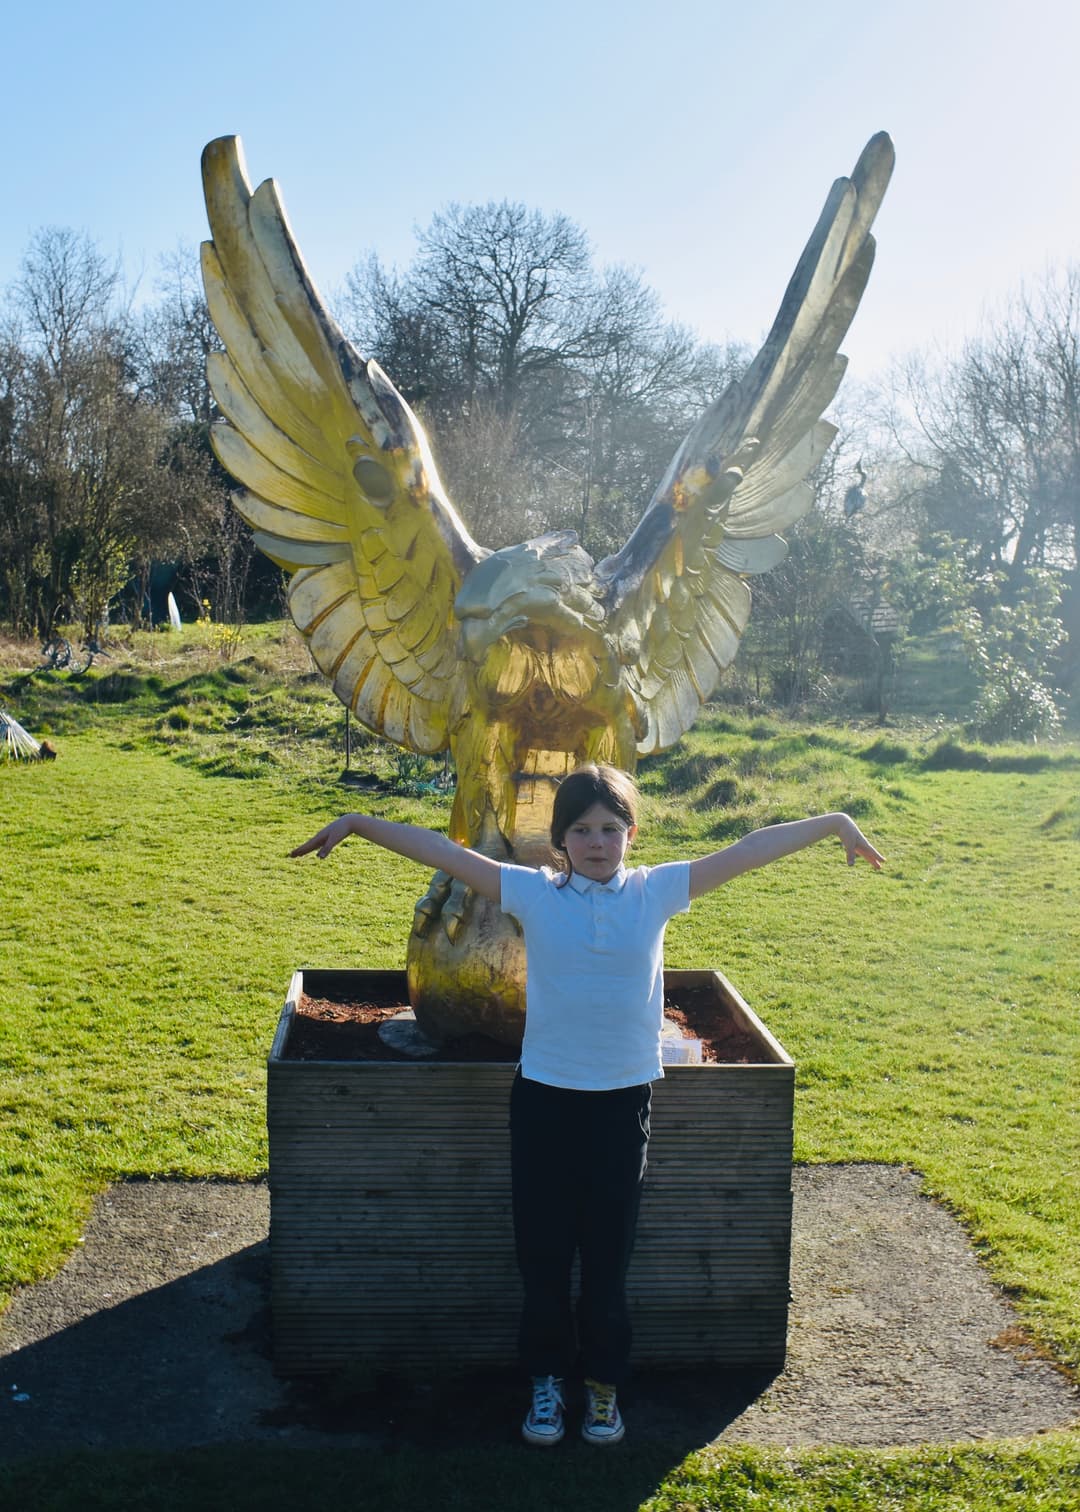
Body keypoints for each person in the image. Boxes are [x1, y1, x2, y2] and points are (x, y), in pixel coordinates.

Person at [291, 763, 884, 1447]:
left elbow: (747, 850)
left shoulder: (656, 891)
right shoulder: (535, 894)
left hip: (620, 1106)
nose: (598, 842)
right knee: (542, 1259)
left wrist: (835, 823)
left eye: (610, 828)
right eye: (582, 830)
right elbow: (448, 853)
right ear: (561, 841)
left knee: (606, 1261)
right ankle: (546, 1385)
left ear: (631, 834)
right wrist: (359, 824)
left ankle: (602, 1389)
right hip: (543, 1101)